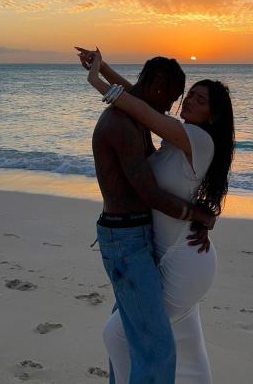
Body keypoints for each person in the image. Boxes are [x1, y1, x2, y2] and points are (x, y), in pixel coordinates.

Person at [78, 47, 234, 384]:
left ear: (214, 117)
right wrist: (103, 69)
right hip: (164, 252)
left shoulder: (198, 139)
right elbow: (143, 101)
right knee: (186, 345)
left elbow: (141, 106)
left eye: (199, 100)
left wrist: (98, 83)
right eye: (189, 95)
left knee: (118, 335)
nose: (188, 101)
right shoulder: (177, 138)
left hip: (183, 259)